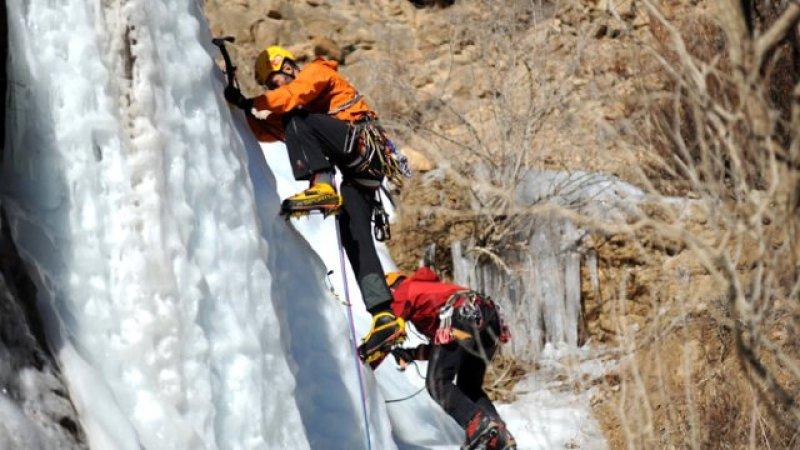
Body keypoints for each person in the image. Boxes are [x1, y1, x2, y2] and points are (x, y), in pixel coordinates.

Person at [222, 45, 406, 348]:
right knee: (353, 235)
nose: (275, 88)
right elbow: (268, 130)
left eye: (276, 80)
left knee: (295, 116)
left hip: (360, 143)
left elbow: (293, 97)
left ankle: (322, 185)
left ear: (289, 68)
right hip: (359, 171)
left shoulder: (317, 73)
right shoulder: (303, 112)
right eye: (270, 86)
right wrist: (241, 108)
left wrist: (254, 102)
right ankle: (383, 315)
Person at [377, 268, 516, 450]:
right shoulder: (432, 293)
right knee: (469, 386)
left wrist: (370, 355)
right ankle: (499, 438)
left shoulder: (404, 289)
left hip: (462, 315)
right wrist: (411, 354)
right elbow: (446, 349)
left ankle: (479, 426)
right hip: (485, 318)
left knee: (437, 382)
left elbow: (388, 328)